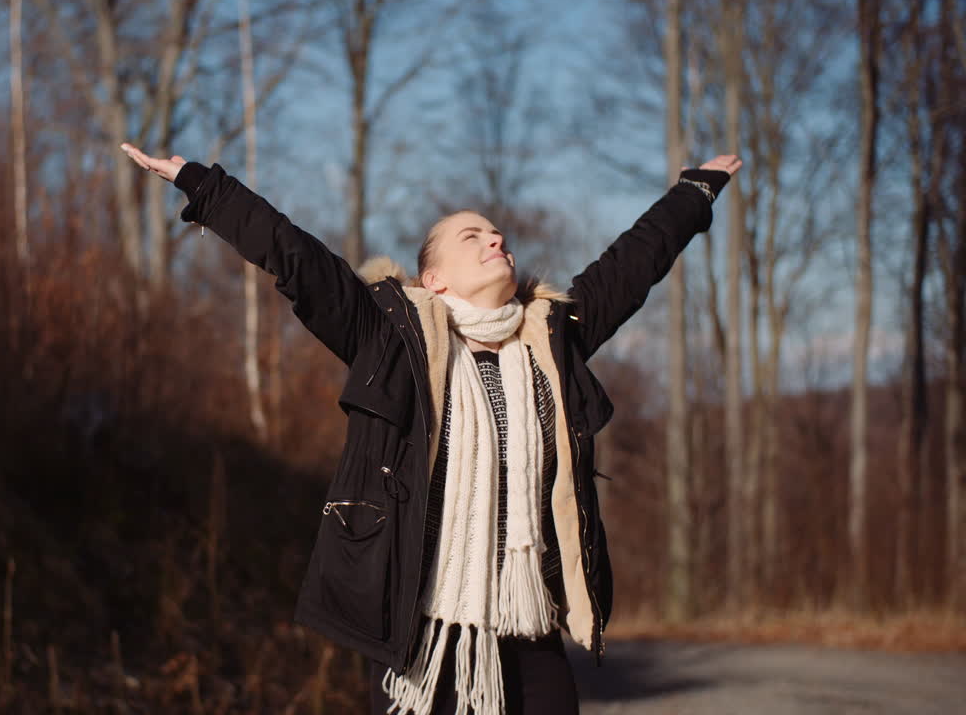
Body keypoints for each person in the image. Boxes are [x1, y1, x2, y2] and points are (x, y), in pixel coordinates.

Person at [120, 142, 741, 714]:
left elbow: (632, 264)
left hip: (529, 629)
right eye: (471, 236)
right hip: (423, 632)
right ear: (433, 278)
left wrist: (696, 190)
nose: (494, 240)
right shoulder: (390, 342)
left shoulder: (556, 341)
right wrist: (206, 187)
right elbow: (298, 259)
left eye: (497, 234)